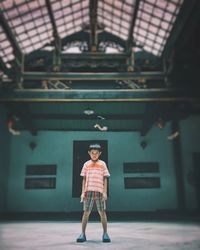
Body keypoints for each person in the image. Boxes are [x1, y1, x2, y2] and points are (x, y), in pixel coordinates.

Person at [76, 143, 111, 243]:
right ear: (89, 153)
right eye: (92, 153)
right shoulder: (86, 164)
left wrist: (104, 192)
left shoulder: (102, 164)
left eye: (96, 153)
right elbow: (84, 179)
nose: (94, 155)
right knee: (86, 213)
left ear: (100, 153)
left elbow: (105, 178)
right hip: (88, 191)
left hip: (99, 191)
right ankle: (83, 233)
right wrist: (83, 192)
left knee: (102, 213)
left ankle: (105, 233)